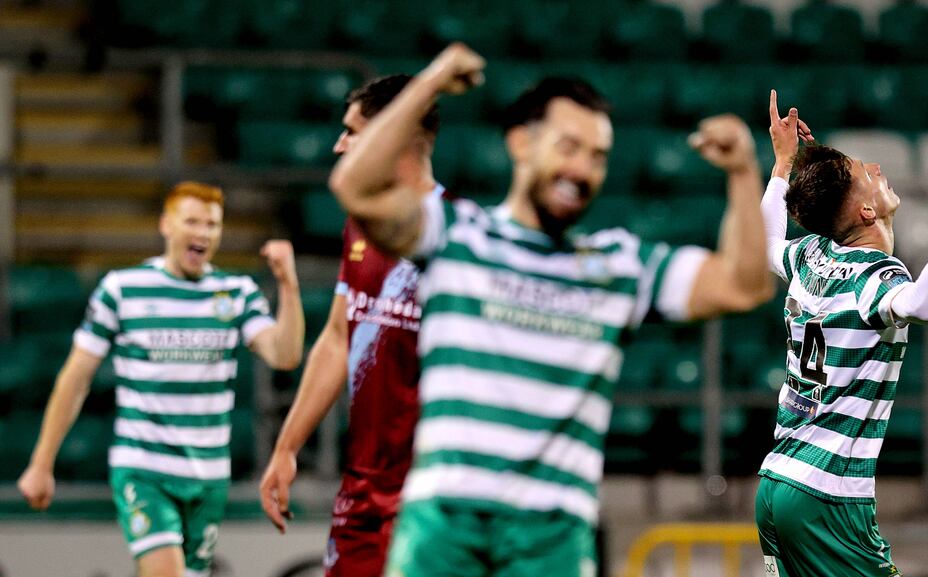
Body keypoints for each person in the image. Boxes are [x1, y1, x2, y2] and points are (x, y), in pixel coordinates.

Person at [330, 43, 775, 577]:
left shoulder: (620, 265)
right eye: (568, 147)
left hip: (552, 535)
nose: (581, 169)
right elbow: (354, 186)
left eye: (597, 156)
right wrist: (428, 83)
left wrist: (744, 172)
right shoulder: (455, 233)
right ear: (521, 143)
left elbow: (744, 286)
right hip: (444, 520)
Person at [756, 90, 928, 577]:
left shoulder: (808, 256)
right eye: (868, 174)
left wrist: (783, 161)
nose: (878, 170)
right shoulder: (877, 275)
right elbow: (921, 305)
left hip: (774, 481)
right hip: (828, 497)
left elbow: (767, 242)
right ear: (867, 212)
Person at [17, 181, 305, 577]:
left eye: (212, 224)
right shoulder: (123, 289)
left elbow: (284, 354)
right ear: (166, 225)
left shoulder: (236, 292)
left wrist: (288, 285)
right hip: (144, 468)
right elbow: (75, 377)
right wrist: (41, 462)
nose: (203, 233)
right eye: (192, 221)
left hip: (208, 474)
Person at [258, 74, 443, 577]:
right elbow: (339, 338)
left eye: (353, 132)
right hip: (363, 491)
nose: (339, 144)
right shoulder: (361, 224)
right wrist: (287, 447)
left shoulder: (459, 235)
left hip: (433, 494)